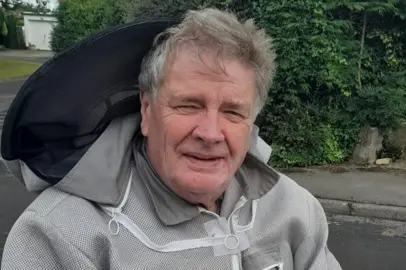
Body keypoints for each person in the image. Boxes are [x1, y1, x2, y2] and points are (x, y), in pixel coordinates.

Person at [1, 8, 342, 270]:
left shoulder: (295, 209)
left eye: (233, 112)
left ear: (251, 120)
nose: (210, 133)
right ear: (146, 111)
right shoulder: (60, 235)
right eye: (188, 105)